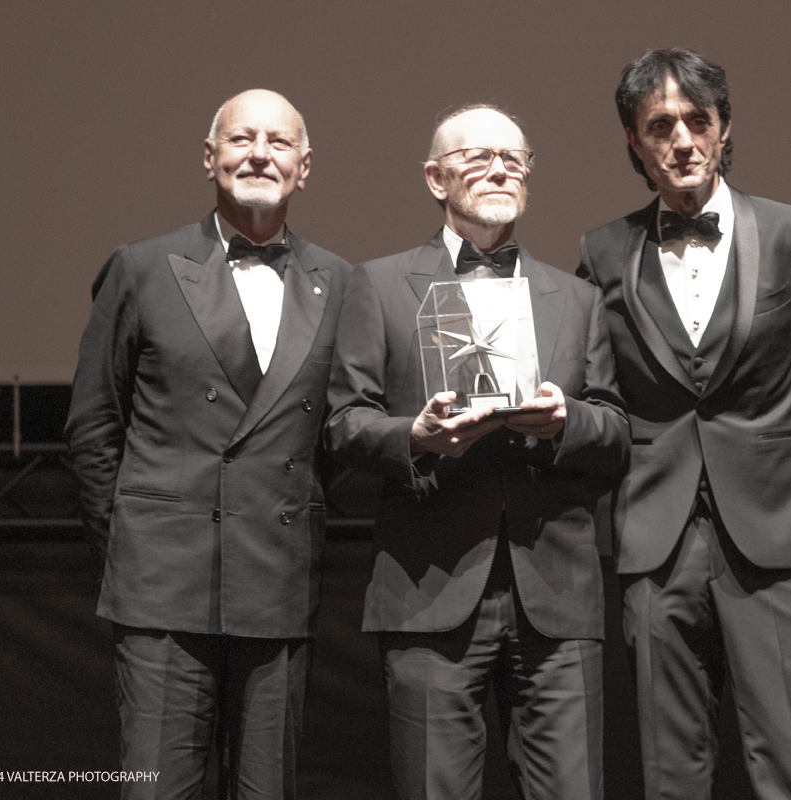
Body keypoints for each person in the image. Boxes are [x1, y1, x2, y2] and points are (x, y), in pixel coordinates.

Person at [577, 49, 791, 800]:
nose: (681, 140)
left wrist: (771, 458)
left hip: (773, 537)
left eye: (697, 121)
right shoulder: (602, 253)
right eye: (660, 125)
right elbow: (594, 391)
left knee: (790, 759)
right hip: (656, 536)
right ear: (635, 144)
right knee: (671, 769)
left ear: (725, 127)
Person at [325, 104, 629, 800]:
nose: (498, 169)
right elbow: (344, 424)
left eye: (513, 159)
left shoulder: (577, 298)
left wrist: (566, 421)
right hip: (429, 583)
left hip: (556, 593)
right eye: (475, 157)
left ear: (529, 177)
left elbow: (614, 430)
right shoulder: (377, 284)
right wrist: (416, 437)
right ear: (435, 179)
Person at [65, 89, 353, 799]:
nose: (259, 154)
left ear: (305, 166)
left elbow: (341, 434)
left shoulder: (341, 283)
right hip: (163, 586)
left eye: (278, 142)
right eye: (240, 139)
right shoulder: (141, 267)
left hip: (277, 577)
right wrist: (136, 543)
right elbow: (93, 426)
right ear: (210, 157)